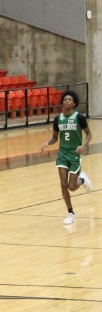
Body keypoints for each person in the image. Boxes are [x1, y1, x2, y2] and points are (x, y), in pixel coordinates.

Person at [41, 89, 93, 225]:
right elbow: (54, 137)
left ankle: (82, 179)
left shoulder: (79, 117)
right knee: (63, 185)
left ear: (74, 103)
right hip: (63, 154)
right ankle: (70, 213)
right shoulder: (58, 119)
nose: (66, 101)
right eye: (65, 99)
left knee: (71, 187)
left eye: (69, 100)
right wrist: (47, 142)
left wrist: (84, 145)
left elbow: (89, 134)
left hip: (75, 154)